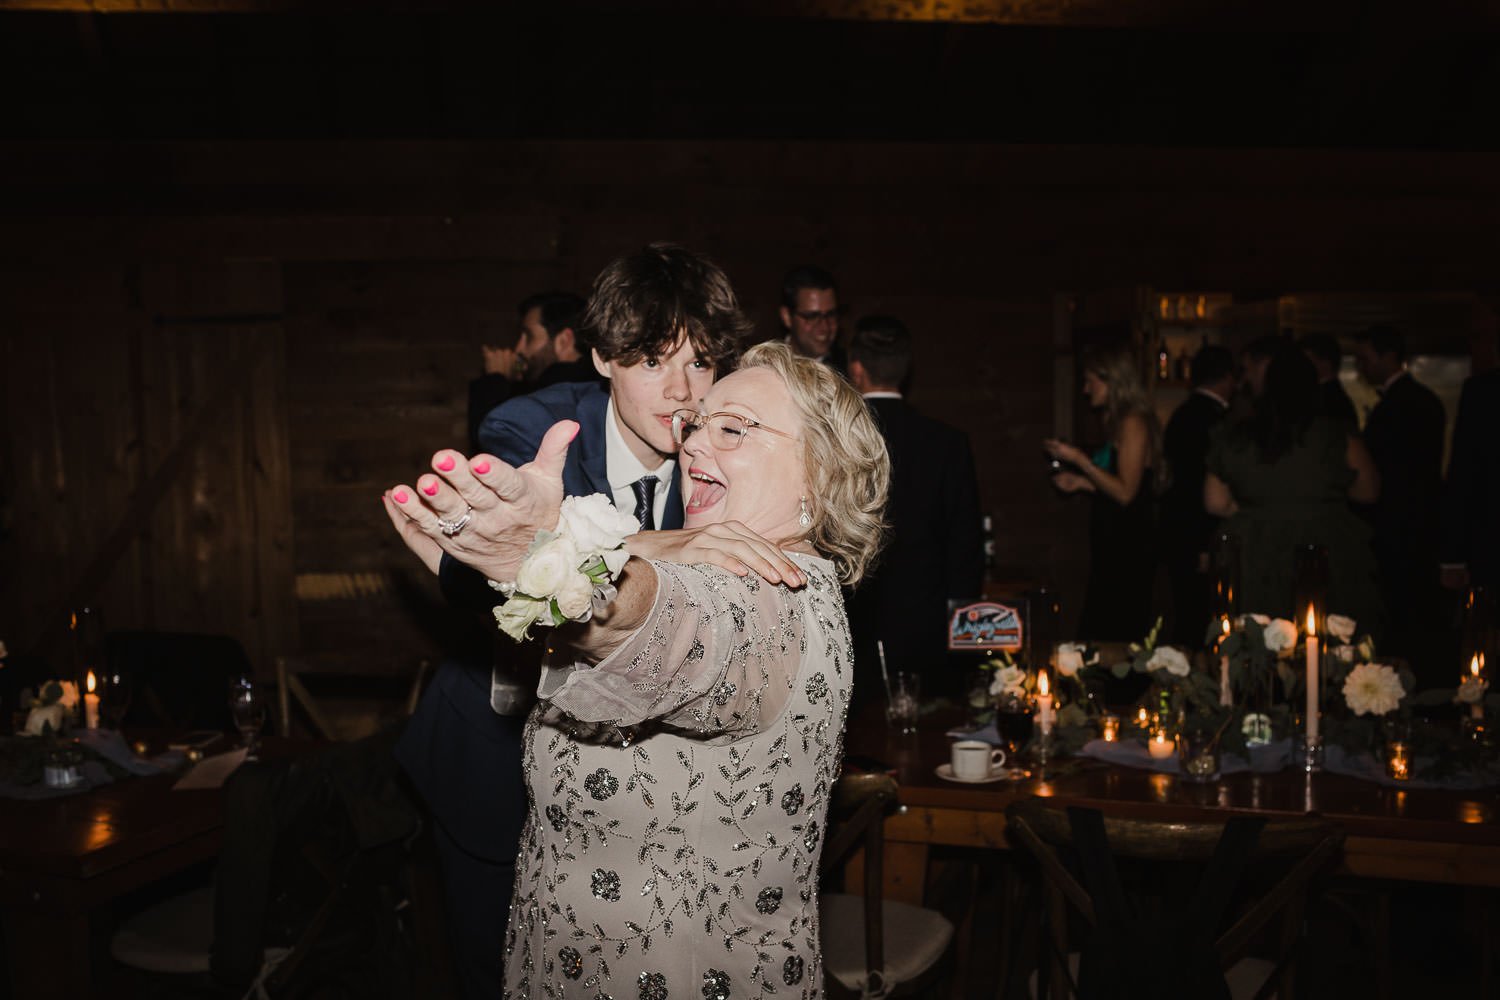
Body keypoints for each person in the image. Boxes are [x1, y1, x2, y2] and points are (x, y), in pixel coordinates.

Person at [384, 341, 890, 999]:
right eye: (697, 425)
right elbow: (589, 642)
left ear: (820, 473)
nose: (694, 445)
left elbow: (651, 618)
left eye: (733, 429)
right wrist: (500, 580)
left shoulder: (767, 596)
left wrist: (531, 560)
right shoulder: (720, 570)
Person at [395, 244, 750, 1000]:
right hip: (496, 760)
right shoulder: (531, 426)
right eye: (654, 360)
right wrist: (522, 542)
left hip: (639, 786)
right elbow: (487, 565)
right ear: (600, 356)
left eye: (702, 363)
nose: (682, 392)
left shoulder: (727, 451)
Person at [845, 315, 984, 704]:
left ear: (856, 369)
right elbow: (966, 549)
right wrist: (960, 641)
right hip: (930, 627)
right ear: (905, 370)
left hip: (855, 625)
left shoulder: (840, 442)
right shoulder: (948, 444)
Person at [1204, 343, 1381, 630]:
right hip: (1327, 547)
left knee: (1258, 644)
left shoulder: (1238, 436)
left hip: (1255, 553)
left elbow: (1215, 501)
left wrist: (1258, 508)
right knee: (1327, 641)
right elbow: (1368, 490)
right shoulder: (1336, 434)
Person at [1044, 340, 1161, 641]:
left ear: (1111, 379)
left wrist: (1080, 461)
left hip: (1129, 547)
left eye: (1090, 381)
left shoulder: (1134, 422)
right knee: (1100, 632)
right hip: (1111, 545)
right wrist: (1081, 483)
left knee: (1118, 635)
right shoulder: (1115, 420)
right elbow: (1116, 483)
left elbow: (1126, 493)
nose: (1086, 389)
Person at [1353, 324, 1445, 667]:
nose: (1362, 367)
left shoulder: (1402, 405)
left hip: (1400, 528)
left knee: (1404, 617)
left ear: (1389, 356)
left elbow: (1396, 473)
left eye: (1365, 358)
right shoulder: (1418, 400)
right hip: (1414, 527)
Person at [1160, 344, 1234, 645]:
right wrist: (1204, 544)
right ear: (1229, 378)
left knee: (1191, 615)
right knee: (1199, 621)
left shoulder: (1182, 414)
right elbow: (1194, 485)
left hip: (1180, 529)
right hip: (1197, 534)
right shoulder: (1214, 420)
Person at [467, 291, 594, 453]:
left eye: (529, 336)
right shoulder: (595, 388)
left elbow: (490, 444)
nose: (519, 348)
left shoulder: (551, 395)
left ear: (564, 341)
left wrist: (494, 381)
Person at [1440, 314, 1500, 590]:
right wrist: (1453, 557)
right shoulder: (1482, 392)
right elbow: (1464, 474)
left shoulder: (1481, 392)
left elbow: (1464, 474)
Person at [779, 265, 846, 374]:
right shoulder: (767, 366)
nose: (825, 326)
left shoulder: (852, 372)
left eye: (830, 315)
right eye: (812, 316)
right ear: (786, 317)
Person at [1297, 332, 1359, 428]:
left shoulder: (1327, 400)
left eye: (1305, 362)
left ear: (1325, 364)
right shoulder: (1330, 396)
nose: (1300, 367)